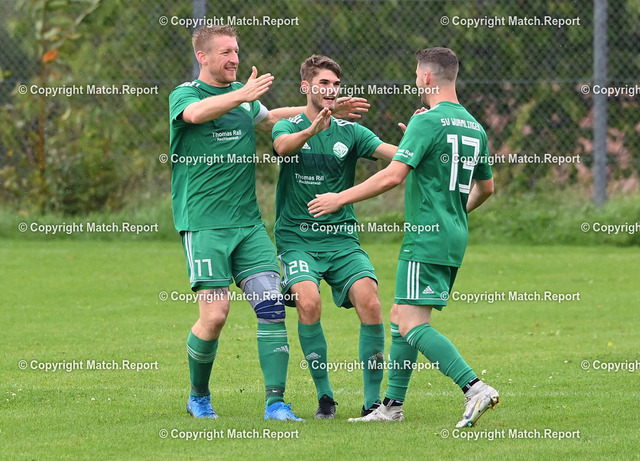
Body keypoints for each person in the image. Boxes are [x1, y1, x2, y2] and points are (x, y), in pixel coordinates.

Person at [169, 26, 367, 420]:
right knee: (215, 315)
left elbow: (271, 117)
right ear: (202, 57)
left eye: (236, 51)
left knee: (272, 306)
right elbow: (195, 115)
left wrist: (321, 113)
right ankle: (198, 396)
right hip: (204, 225)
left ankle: (275, 403)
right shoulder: (186, 94)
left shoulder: (243, 99)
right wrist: (241, 94)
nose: (234, 59)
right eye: (225, 52)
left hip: (249, 225)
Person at [308, 47, 499, 427]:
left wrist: (339, 198)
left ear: (426, 77)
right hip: (453, 235)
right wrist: (453, 213)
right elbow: (487, 188)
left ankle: (474, 387)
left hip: (425, 237)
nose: (415, 81)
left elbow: (393, 175)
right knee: (399, 316)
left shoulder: (427, 121)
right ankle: (391, 407)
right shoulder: (474, 126)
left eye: (416, 75)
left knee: (412, 325)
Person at [272, 55, 399, 419]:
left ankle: (372, 403)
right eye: (323, 83)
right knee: (309, 302)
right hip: (297, 240)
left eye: (336, 84)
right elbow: (283, 147)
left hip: (341, 240)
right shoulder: (288, 126)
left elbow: (396, 158)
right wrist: (312, 130)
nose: (331, 90)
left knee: (371, 301)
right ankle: (325, 397)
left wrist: (418, 141)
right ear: (306, 87)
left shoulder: (352, 132)